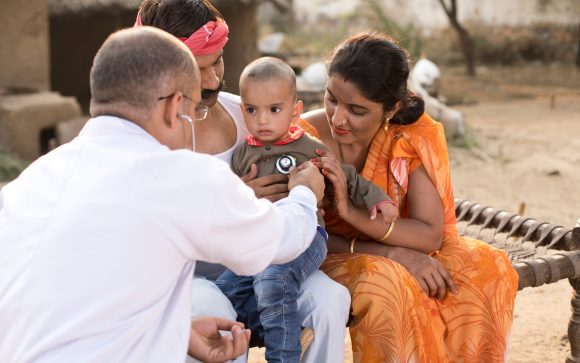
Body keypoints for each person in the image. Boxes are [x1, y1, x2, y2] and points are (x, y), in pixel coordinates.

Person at [0, 27, 326, 363]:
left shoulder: (28, 184)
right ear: (174, 108)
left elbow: (80, 299)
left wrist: (176, 332)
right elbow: (282, 240)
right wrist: (303, 192)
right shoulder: (176, 176)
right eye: (194, 111)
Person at [135, 2, 351, 362]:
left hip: (263, 265)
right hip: (182, 281)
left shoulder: (248, 114)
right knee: (213, 306)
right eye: (198, 69)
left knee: (331, 299)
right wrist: (235, 202)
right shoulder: (146, 137)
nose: (211, 80)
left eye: (216, 61)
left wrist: (310, 192)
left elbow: (303, 152)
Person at [299, 32, 519, 362]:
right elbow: (298, 235)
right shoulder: (302, 138)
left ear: (392, 109)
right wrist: (395, 255)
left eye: (357, 110)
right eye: (331, 99)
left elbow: (430, 233)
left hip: (390, 245)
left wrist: (356, 216)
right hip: (323, 254)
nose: (338, 118)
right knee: (389, 282)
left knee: (486, 266)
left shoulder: (410, 137)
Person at [215, 57, 397, 362]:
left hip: (306, 238)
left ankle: (282, 355)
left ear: (295, 111)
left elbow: (348, 176)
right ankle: (289, 330)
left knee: (274, 280)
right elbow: (232, 199)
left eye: (274, 110)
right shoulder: (243, 152)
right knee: (227, 287)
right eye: (251, 110)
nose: (262, 121)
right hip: (261, 240)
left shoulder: (308, 147)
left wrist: (376, 199)